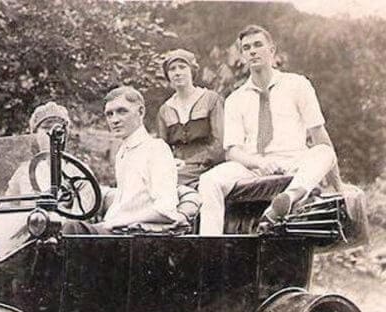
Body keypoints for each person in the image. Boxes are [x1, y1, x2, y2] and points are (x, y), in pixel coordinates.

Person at [197, 24, 342, 235]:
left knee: (324, 151)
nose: (252, 51)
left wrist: (338, 185)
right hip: (252, 165)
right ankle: (210, 249)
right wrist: (259, 163)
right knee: (208, 180)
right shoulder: (236, 99)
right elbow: (232, 151)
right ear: (243, 55)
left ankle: (286, 200)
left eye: (258, 45)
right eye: (246, 48)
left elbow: (318, 134)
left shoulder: (297, 84)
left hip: (293, 161)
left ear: (271, 50)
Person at [63, 86, 183, 235]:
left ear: (140, 112)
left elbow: (165, 209)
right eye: (109, 114)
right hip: (118, 233)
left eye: (122, 111)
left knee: (71, 229)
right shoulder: (122, 153)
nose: (114, 120)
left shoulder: (156, 149)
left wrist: (116, 222)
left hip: (136, 236)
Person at [157, 49, 224, 188]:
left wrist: (189, 163)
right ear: (168, 75)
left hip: (207, 164)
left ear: (192, 71)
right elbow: (162, 149)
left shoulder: (211, 99)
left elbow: (220, 144)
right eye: (172, 69)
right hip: (176, 167)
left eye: (182, 67)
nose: (177, 72)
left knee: (165, 183)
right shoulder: (165, 110)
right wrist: (171, 163)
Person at [6, 101, 70, 195]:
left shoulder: (77, 173)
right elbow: (8, 206)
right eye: (46, 128)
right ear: (35, 135)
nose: (52, 134)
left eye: (59, 130)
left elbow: (87, 206)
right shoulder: (24, 173)